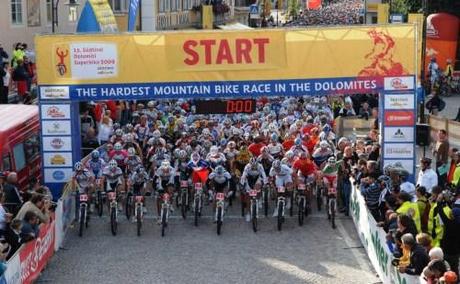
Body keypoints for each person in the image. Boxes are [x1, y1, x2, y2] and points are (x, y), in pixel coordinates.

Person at [437, 188, 460, 278]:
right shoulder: (456, 223)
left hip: (447, 251)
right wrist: (447, 202)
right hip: (456, 252)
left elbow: (441, 212)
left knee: (445, 269)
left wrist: (439, 201)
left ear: (453, 216)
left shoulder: (449, 223)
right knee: (455, 269)